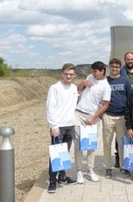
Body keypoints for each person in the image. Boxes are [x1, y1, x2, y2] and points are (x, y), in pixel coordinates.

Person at [74, 61, 111, 184]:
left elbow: (105, 105)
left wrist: (93, 117)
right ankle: (79, 170)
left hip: (92, 118)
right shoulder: (89, 77)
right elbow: (78, 90)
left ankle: (90, 170)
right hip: (79, 114)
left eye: (96, 71)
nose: (93, 73)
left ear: (102, 71)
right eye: (93, 71)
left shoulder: (106, 86)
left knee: (90, 145)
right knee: (79, 144)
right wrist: (83, 83)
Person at [46, 63, 78, 193]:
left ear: (74, 75)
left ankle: (62, 177)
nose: (68, 76)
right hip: (58, 127)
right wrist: (54, 126)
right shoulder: (55, 88)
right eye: (66, 74)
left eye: (71, 74)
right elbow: (50, 108)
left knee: (64, 153)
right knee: (55, 155)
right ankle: (52, 181)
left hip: (70, 125)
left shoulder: (74, 88)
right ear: (62, 74)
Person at [103, 58, 132, 178]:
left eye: (116, 66)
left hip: (122, 117)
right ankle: (108, 167)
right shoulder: (105, 81)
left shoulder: (125, 81)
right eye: (112, 66)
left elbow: (129, 98)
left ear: (120, 68)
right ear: (109, 67)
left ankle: (123, 166)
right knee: (107, 143)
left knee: (122, 144)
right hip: (108, 115)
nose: (114, 69)